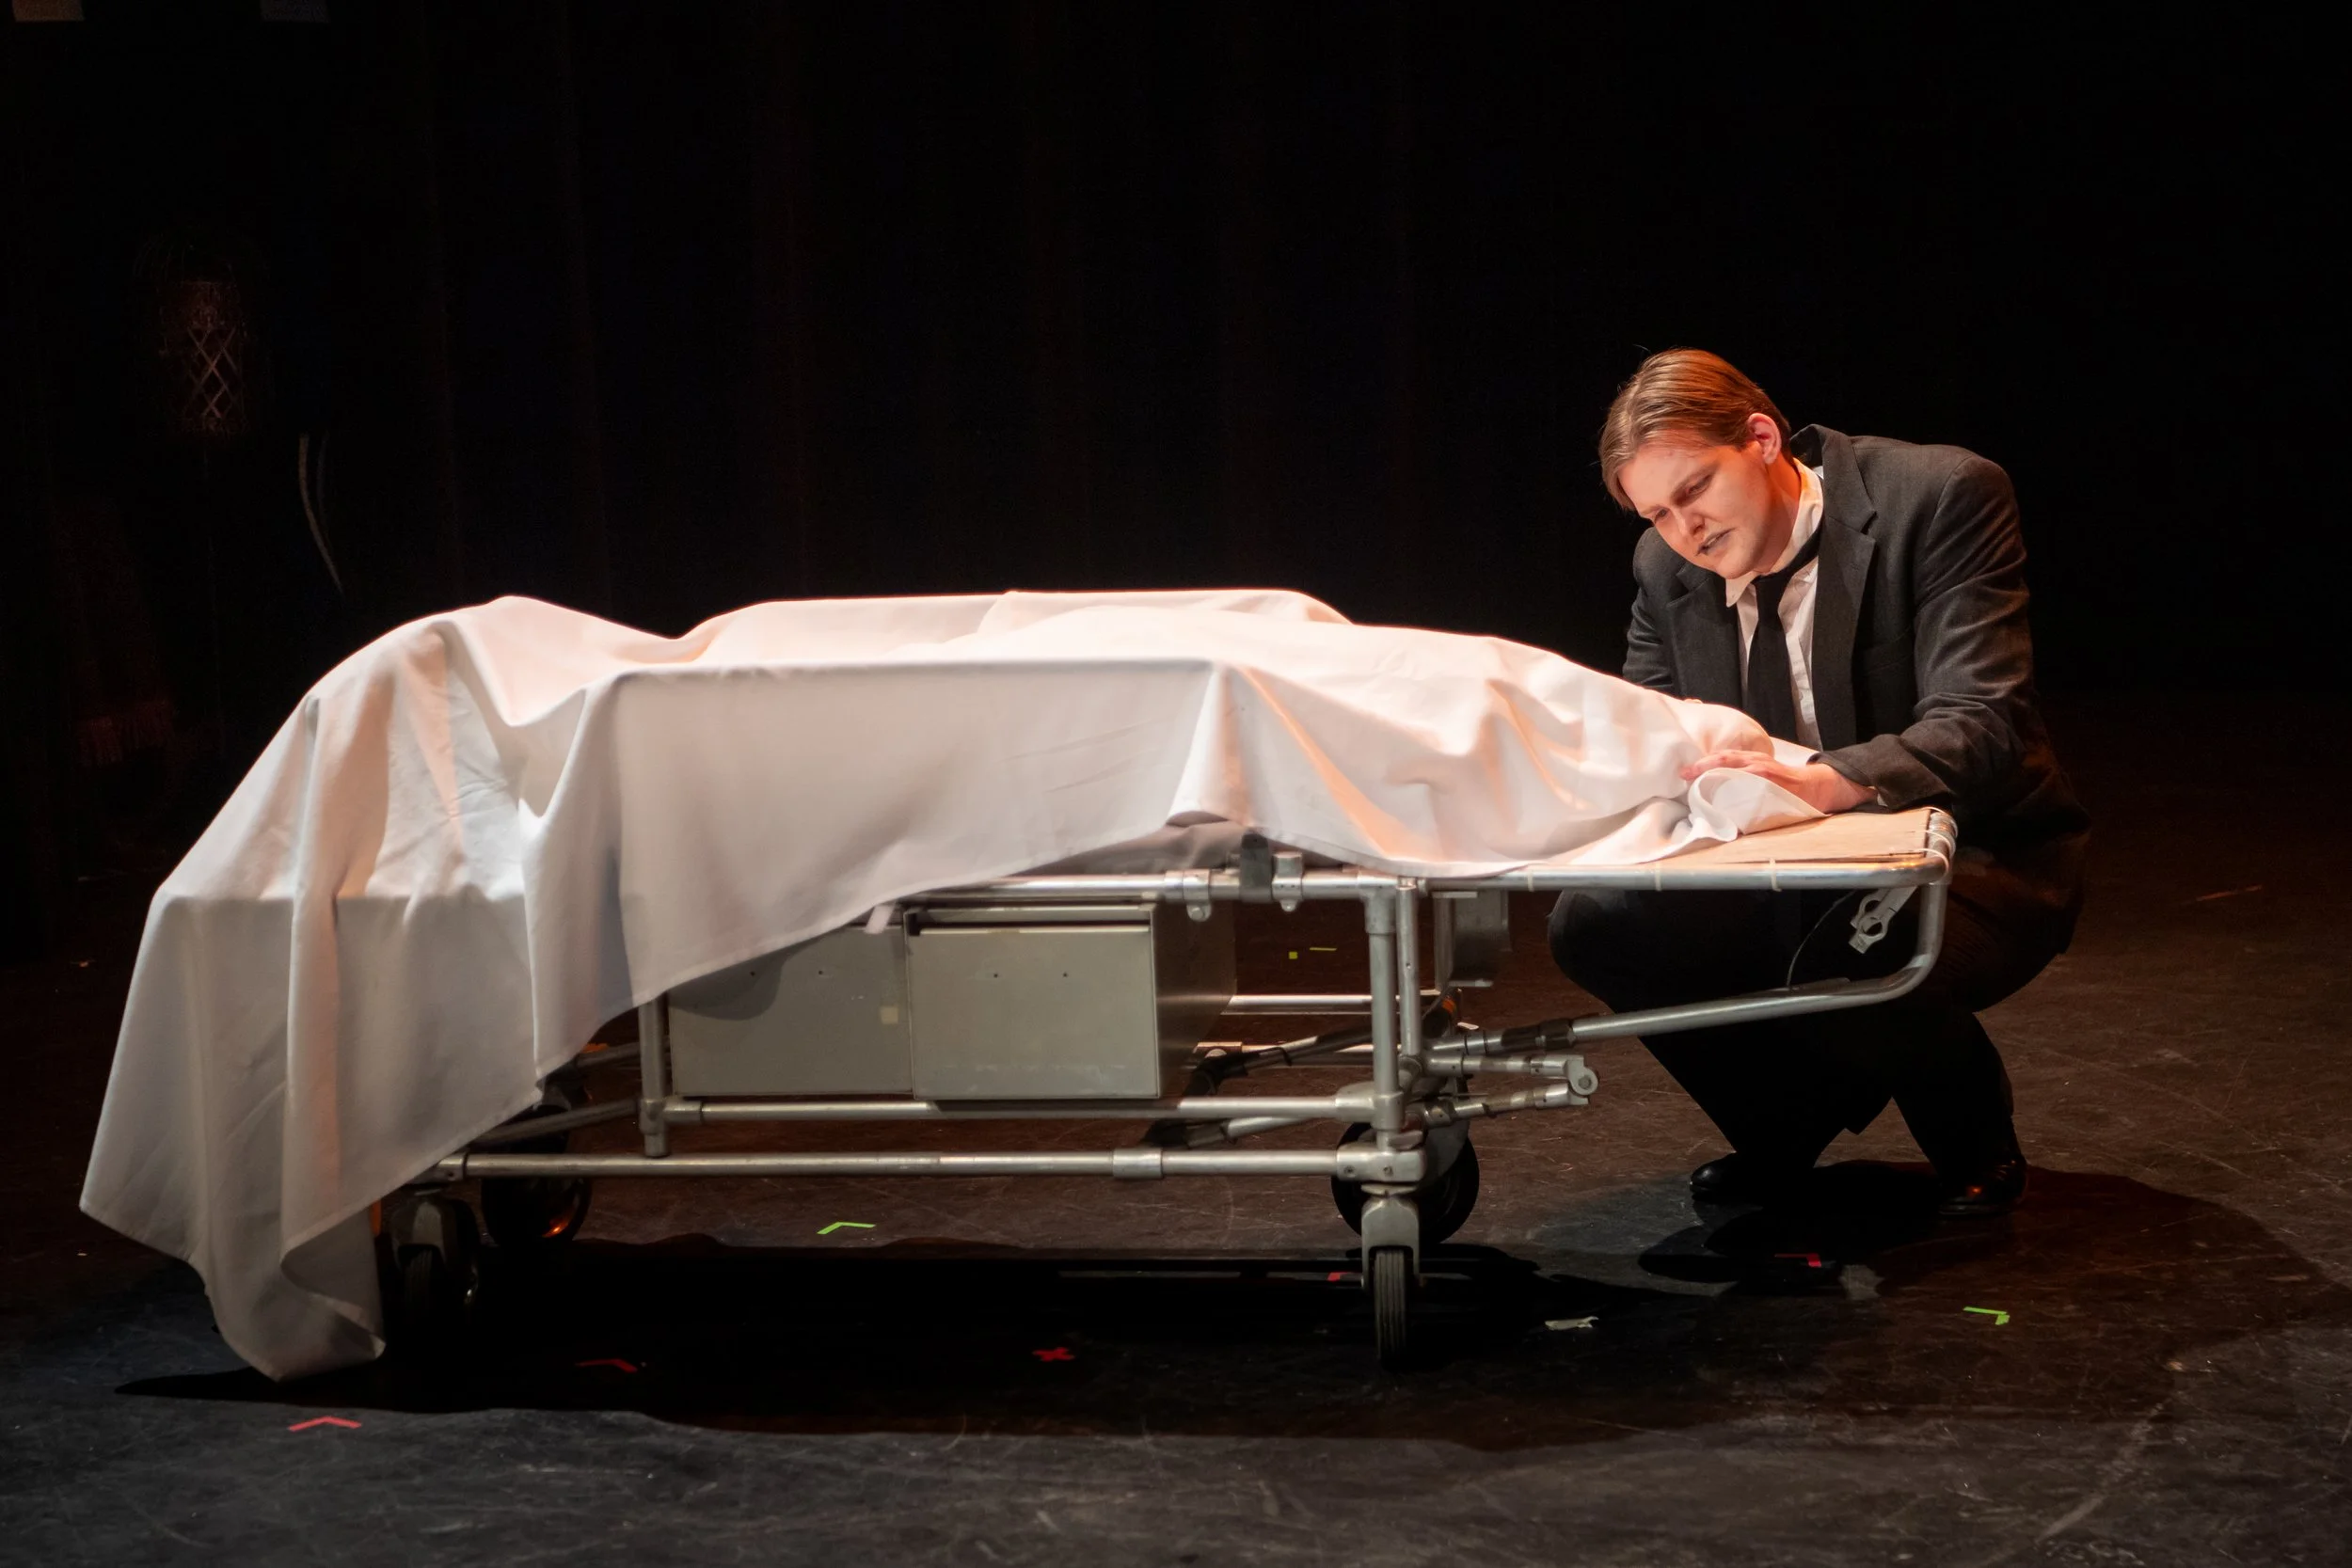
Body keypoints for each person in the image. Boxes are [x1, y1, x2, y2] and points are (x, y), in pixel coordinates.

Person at [1549, 349, 2089, 1217]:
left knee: (1854, 949)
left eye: (1695, 490)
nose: (1683, 530)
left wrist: (1828, 781)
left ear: (1762, 439)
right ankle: (1782, 1127)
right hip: (1773, 865)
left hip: (1970, 850)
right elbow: (1653, 733)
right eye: (1656, 513)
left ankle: (1969, 1127)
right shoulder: (1664, 564)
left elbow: (1984, 719)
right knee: (1595, 923)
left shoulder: (1939, 495)